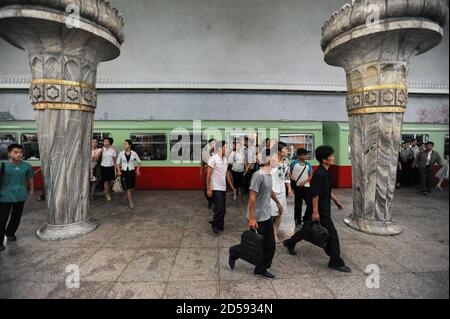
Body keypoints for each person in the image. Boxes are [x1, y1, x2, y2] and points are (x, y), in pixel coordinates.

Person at [283, 145, 351, 273]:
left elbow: (326, 190)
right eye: (331, 156)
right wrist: (315, 212)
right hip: (320, 211)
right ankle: (335, 261)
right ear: (324, 160)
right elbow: (315, 194)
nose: (333, 157)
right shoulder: (320, 173)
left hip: (319, 209)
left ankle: (290, 243)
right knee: (332, 236)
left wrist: (336, 201)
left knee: (306, 229)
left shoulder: (324, 172)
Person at [228, 146, 283, 279]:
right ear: (268, 159)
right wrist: (252, 218)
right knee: (258, 244)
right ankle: (235, 251)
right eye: (275, 157)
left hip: (266, 214)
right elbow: (252, 197)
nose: (277, 159)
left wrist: (278, 202)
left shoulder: (269, 174)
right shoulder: (258, 175)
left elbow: (269, 191)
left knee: (267, 245)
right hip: (258, 217)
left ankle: (260, 268)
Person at [0, 144, 35, 252]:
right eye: (15, 152)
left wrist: (32, 189)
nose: (18, 154)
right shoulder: (3, 165)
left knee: (16, 217)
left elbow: (30, 177)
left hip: (20, 195)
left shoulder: (26, 166)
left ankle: (10, 233)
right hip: (5, 196)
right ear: (9, 153)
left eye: (20, 152)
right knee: (2, 219)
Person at [207, 141, 235, 236]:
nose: (226, 149)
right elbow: (208, 175)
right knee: (220, 208)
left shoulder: (225, 159)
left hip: (223, 187)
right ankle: (214, 225)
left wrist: (231, 186)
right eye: (225, 147)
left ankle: (219, 225)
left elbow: (226, 174)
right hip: (215, 187)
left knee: (223, 209)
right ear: (220, 148)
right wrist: (209, 188)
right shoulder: (213, 159)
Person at [271, 142, 293, 243]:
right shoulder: (271, 160)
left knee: (279, 213)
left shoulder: (286, 161)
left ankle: (275, 234)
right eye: (285, 149)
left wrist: (289, 189)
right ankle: (267, 232)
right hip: (270, 191)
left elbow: (287, 176)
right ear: (279, 151)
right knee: (270, 213)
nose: (287, 151)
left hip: (281, 190)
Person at [290, 148, 313, 228]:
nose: (307, 156)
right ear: (299, 156)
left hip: (306, 187)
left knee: (310, 204)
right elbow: (289, 171)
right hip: (297, 187)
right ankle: (298, 221)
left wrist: (304, 181)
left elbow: (311, 175)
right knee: (298, 205)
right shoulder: (294, 163)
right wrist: (291, 176)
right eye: (305, 155)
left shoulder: (308, 165)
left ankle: (306, 218)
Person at [116, 139, 141, 209]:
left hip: (131, 171)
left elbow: (139, 161)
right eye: (124, 144)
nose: (124, 145)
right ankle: (130, 202)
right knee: (127, 188)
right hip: (123, 172)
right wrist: (118, 171)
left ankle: (125, 197)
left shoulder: (134, 153)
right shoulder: (121, 153)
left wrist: (138, 170)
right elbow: (117, 163)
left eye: (126, 144)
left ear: (129, 145)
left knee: (131, 187)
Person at [100, 137, 117, 201]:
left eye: (107, 141)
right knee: (106, 181)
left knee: (112, 180)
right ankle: (107, 194)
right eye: (105, 142)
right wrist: (100, 151)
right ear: (103, 143)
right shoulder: (101, 150)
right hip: (103, 167)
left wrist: (117, 168)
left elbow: (115, 160)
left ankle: (106, 191)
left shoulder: (112, 150)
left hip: (111, 166)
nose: (106, 143)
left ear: (109, 142)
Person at [201, 138, 216, 209]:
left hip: (216, 173)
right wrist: (201, 171)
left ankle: (214, 202)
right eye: (212, 144)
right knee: (206, 189)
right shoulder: (205, 151)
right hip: (208, 172)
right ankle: (210, 201)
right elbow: (203, 162)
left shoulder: (218, 152)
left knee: (215, 189)